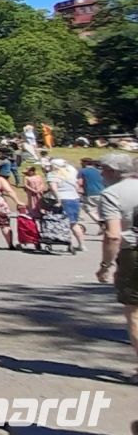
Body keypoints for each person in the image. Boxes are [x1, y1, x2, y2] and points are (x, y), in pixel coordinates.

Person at [90, 153, 138, 384]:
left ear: (113, 172)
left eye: (104, 169)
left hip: (133, 252)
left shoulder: (111, 194)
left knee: (134, 312)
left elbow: (113, 235)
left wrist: (105, 266)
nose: (101, 174)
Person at [49, 159, 86, 252]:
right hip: (74, 198)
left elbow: (53, 188)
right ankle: (81, 244)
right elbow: (77, 187)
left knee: (63, 223)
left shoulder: (53, 174)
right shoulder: (71, 174)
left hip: (63, 199)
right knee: (74, 223)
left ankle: (69, 243)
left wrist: (58, 200)